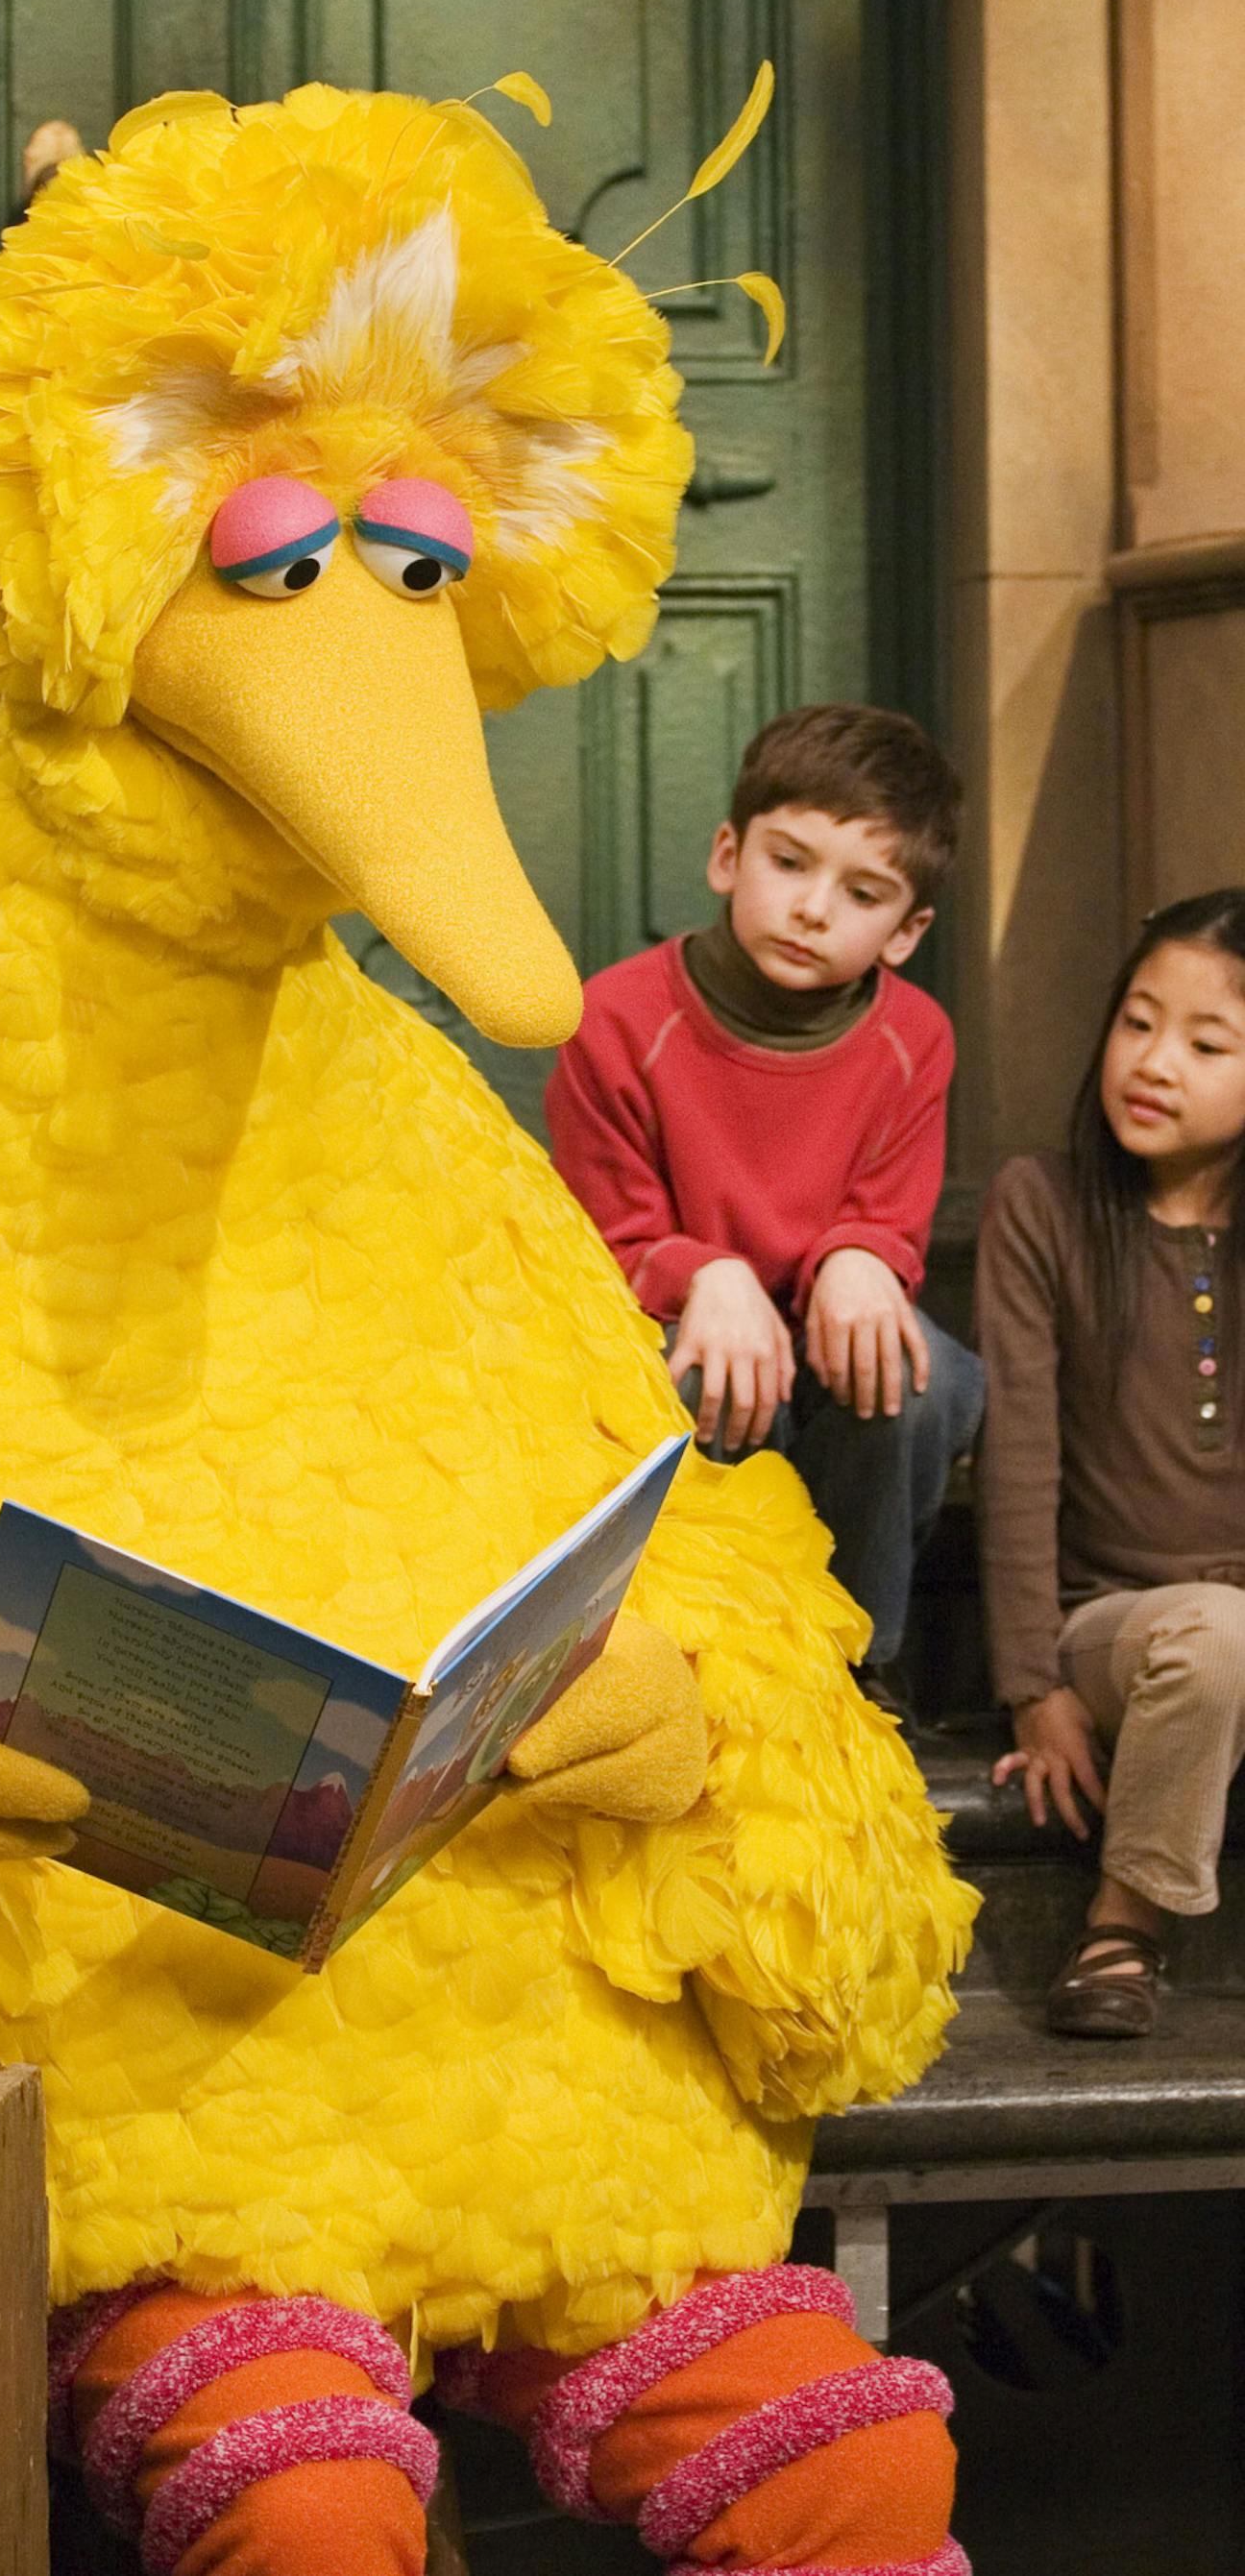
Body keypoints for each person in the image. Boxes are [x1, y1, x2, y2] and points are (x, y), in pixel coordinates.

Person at [546, 704, 985, 1704]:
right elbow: (606, 1240)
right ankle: (691, 1671)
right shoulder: (614, 1017)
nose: (812, 907)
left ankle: (849, 1672)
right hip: (674, 1337)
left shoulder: (914, 1036)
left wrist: (859, 1253)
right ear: (725, 854)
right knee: (687, 1380)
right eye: (788, 863)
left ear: (906, 929)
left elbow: (887, 1220)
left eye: (861, 891)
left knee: (920, 1380)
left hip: (822, 1350)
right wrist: (707, 1271)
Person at [976, 889, 1245, 2036]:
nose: (1152, 1062)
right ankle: (1120, 1928)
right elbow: (1018, 1456)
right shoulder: (1038, 1203)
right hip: (1121, 1627)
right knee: (1214, 1639)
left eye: (1203, 1042)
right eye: (1136, 1022)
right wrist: (1032, 1684)